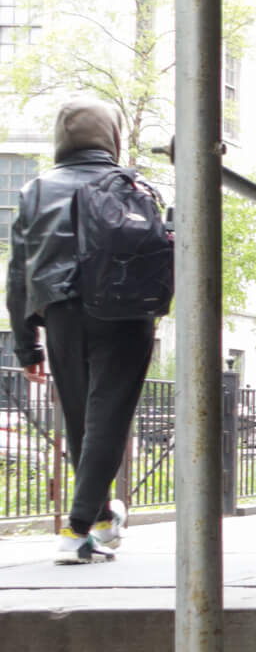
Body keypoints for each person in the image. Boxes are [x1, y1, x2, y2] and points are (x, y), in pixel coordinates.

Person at [6, 99, 159, 561]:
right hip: (126, 313)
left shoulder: (36, 190)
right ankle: (74, 530)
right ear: (111, 135)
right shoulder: (134, 184)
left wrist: (25, 343)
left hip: (63, 312)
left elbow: (18, 272)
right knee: (110, 416)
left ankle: (102, 521)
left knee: (79, 419)